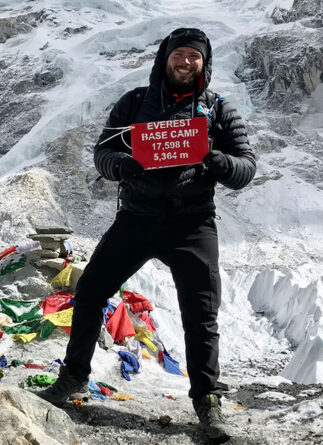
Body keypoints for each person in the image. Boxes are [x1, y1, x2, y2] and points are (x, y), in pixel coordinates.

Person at [35, 28, 256, 442]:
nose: (186, 62)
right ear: (165, 58)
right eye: (180, 54)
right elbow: (104, 151)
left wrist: (219, 162)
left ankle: (208, 400)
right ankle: (73, 378)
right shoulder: (134, 102)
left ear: (204, 63)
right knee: (90, 292)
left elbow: (247, 167)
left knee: (202, 316)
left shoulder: (219, 109)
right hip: (136, 218)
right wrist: (122, 166)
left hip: (193, 224)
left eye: (195, 56)